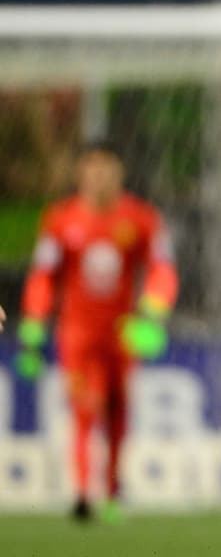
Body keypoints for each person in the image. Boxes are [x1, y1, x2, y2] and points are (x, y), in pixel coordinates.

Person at [15, 141, 179, 522]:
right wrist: (34, 322)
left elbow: (162, 270)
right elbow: (43, 275)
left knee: (118, 409)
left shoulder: (141, 219)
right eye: (91, 167)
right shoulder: (61, 220)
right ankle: (82, 493)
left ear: (119, 172)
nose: (99, 175)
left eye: (106, 167)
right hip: (78, 332)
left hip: (122, 332)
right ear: (80, 173)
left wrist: (152, 311)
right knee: (84, 407)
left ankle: (113, 490)